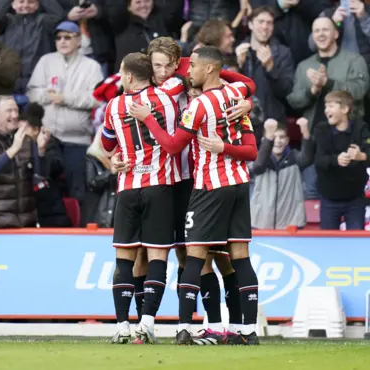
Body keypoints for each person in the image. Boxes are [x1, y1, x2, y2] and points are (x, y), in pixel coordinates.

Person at [131, 46, 260, 346]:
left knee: (197, 257)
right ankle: (244, 330)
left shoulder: (198, 104)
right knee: (237, 257)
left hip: (205, 186)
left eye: (187, 68)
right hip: (237, 183)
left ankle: (186, 327)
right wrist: (245, 105)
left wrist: (149, 119)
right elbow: (251, 146)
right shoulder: (236, 95)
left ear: (206, 69)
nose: (184, 73)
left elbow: (174, 145)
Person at [100, 53, 179, 345]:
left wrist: (117, 158)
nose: (120, 79)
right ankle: (146, 323)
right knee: (157, 256)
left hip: (128, 187)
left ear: (130, 77)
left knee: (125, 258)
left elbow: (107, 145)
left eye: (122, 74)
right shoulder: (167, 100)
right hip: (160, 185)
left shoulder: (114, 105)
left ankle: (121, 325)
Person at [27, 21, 102, 202]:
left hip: (77, 139)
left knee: (78, 191)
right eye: (58, 37)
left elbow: (97, 98)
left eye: (67, 37)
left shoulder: (91, 66)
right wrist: (47, 95)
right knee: (48, 189)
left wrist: (66, 98)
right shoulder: (46, 61)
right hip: (49, 137)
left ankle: (80, 230)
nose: (62, 41)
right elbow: (32, 92)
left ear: (79, 40)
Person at [0, 95, 50, 228]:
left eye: (16, 110)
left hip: (27, 223)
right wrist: (13, 150)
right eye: (9, 111)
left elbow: (40, 175)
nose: (15, 115)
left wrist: (41, 151)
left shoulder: (26, 139)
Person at [287, 16, 369, 131]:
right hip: (313, 135)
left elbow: (359, 91)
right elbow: (294, 101)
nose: (321, 34)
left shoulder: (355, 60)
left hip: (348, 134)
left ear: (336, 34)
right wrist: (312, 91)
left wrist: (327, 82)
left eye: (325, 29)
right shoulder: (303, 66)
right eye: (317, 31)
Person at [314, 90, 370, 229]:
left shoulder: (361, 128)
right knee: (327, 244)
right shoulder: (321, 129)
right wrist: (336, 160)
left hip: (355, 199)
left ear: (345, 109)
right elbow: (319, 161)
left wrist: (361, 156)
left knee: (356, 243)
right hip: (329, 199)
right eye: (325, 106)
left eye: (331, 106)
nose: (326, 110)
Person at [250, 117, 313, 230]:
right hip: (261, 221)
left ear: (287, 140)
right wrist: (268, 140)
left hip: (291, 221)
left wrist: (305, 133)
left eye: (282, 137)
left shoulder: (294, 157)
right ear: (265, 140)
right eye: (273, 137)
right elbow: (258, 166)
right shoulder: (260, 158)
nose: (277, 141)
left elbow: (307, 158)